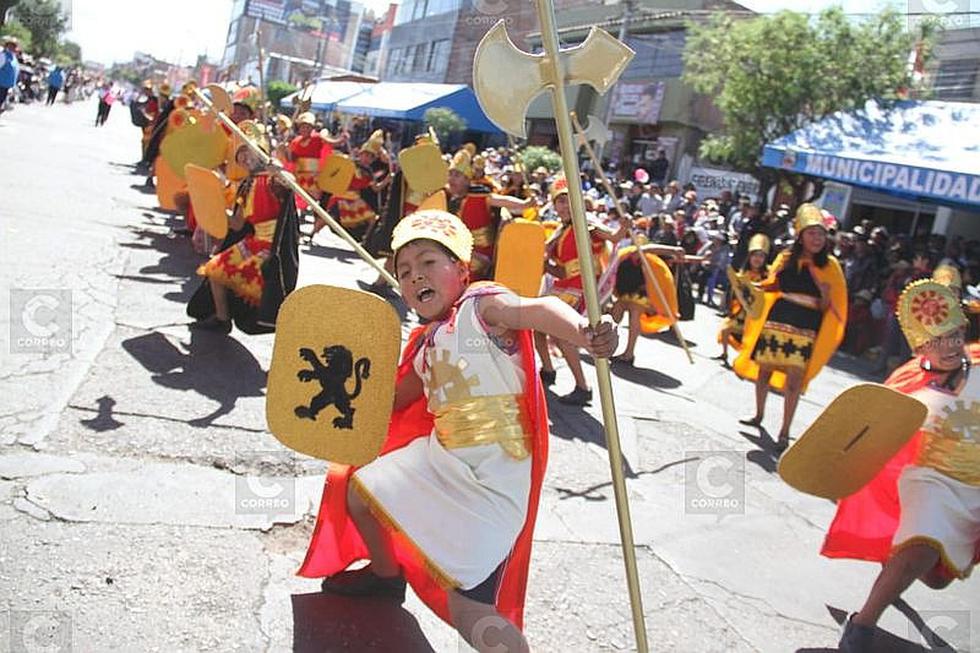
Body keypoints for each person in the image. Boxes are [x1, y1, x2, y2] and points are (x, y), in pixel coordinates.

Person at [299, 210, 618, 653]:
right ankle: (387, 576)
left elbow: (538, 308)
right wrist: (328, 388)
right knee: (356, 488)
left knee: (470, 606)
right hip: (442, 458)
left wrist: (585, 332)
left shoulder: (481, 307)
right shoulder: (428, 342)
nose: (415, 277)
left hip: (492, 477)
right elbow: (393, 397)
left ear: (462, 270)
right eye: (404, 272)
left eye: (428, 262)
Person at [825, 280, 979, 653]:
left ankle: (898, 570)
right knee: (924, 545)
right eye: (936, 339)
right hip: (928, 479)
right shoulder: (911, 381)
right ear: (920, 345)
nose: (948, 345)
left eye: (954, 335)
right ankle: (861, 625)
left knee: (935, 576)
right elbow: (872, 433)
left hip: (974, 487)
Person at [735, 204, 847, 451]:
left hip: (806, 325)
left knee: (794, 380)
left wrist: (825, 294)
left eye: (820, 233)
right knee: (764, 370)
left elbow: (832, 307)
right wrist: (752, 288)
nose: (817, 238)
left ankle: (785, 432)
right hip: (779, 318)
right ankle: (759, 414)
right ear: (800, 236)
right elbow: (774, 285)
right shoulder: (786, 258)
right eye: (811, 233)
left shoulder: (830, 266)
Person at [190, 124, 292, 334]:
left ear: (261, 151)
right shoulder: (246, 185)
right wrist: (214, 207)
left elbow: (291, 184)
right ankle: (222, 319)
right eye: (241, 156)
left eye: (249, 152)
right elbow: (237, 223)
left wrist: (280, 171)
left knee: (262, 292)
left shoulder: (272, 179)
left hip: (272, 247)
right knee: (215, 270)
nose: (245, 158)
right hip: (253, 240)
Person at [537, 175, 629, 405]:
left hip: (577, 291)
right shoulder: (558, 233)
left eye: (569, 200)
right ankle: (547, 370)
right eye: (559, 201)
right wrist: (542, 263)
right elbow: (560, 272)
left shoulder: (588, 226)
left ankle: (582, 386)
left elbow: (615, 237)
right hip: (560, 288)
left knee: (561, 335)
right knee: (536, 329)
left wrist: (625, 225)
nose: (564, 206)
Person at [716, 234, 770, 367]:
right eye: (755, 255)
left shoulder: (768, 275)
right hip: (740, 311)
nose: (757, 259)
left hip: (756, 314)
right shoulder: (743, 273)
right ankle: (724, 354)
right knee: (725, 329)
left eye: (761, 256)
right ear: (750, 257)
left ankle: (745, 361)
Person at [0, 36, 20, 115]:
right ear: (7, 45)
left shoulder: (13, 57)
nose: (13, 47)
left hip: (6, 85)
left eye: (14, 45)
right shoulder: (3, 55)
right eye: (12, 45)